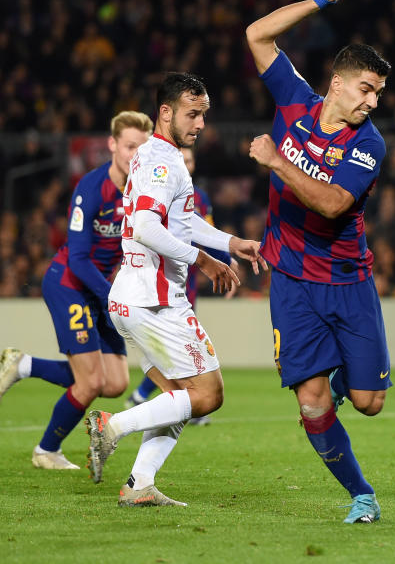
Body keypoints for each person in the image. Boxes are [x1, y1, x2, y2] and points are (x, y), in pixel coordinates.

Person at [245, 0, 392, 524]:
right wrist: (318, 0)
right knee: (311, 402)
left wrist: (277, 162)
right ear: (338, 82)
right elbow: (257, 34)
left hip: (348, 281)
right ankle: (361, 494)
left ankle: (338, 371)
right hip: (291, 282)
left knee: (369, 404)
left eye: (378, 93)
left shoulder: (368, 144)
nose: (372, 102)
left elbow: (332, 204)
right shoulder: (294, 101)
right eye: (366, 89)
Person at [84, 73, 264, 506]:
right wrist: (202, 259)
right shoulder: (165, 162)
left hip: (130, 296)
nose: (200, 124)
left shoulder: (153, 156)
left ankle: (139, 485)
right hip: (155, 299)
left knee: (180, 398)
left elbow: (180, 222)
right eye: (192, 114)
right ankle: (112, 425)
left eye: (204, 114)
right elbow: (147, 227)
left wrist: (228, 242)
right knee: (208, 394)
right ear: (165, 112)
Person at [0, 111, 151, 469]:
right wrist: (112, 297)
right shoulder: (91, 188)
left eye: (142, 149)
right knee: (91, 381)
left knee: (113, 383)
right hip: (70, 283)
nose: (135, 155)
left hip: (100, 288)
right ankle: (46, 451)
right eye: (130, 146)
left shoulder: (141, 191)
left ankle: (23, 365)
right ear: (113, 145)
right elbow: (80, 260)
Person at [125, 146, 236, 426]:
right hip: (155, 280)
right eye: (182, 159)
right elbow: (143, 229)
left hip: (183, 279)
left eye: (189, 160)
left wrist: (227, 258)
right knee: (180, 348)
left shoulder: (198, 197)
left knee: (181, 347)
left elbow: (204, 231)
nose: (186, 164)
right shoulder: (155, 183)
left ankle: (167, 400)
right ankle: (142, 404)